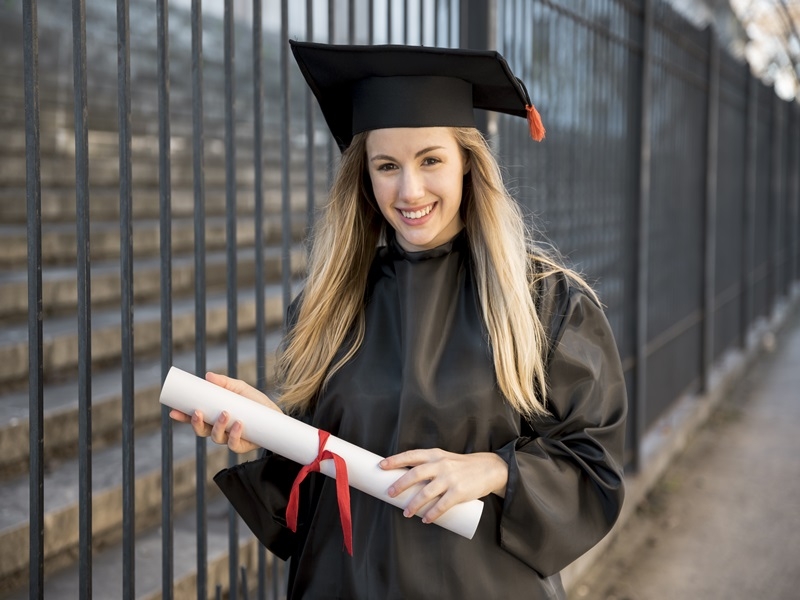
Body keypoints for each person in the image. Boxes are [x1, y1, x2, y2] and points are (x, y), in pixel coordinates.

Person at [170, 41, 627, 600]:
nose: (409, 191)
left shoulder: (544, 303)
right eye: (387, 166)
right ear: (364, 176)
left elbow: (593, 467)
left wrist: (494, 468)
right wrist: (274, 431)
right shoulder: (327, 306)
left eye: (430, 160)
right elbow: (313, 492)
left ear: (467, 163)